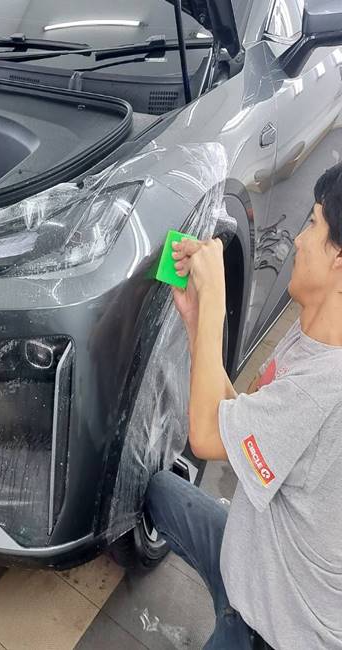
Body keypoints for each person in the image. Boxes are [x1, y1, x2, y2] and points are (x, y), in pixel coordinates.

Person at [144, 162, 342, 649]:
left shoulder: (323, 389)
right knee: (157, 492)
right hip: (250, 554)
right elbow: (240, 419)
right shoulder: (315, 335)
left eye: (313, 223)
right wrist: (197, 320)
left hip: (270, 628)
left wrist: (216, 296)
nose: (298, 239)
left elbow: (206, 438)